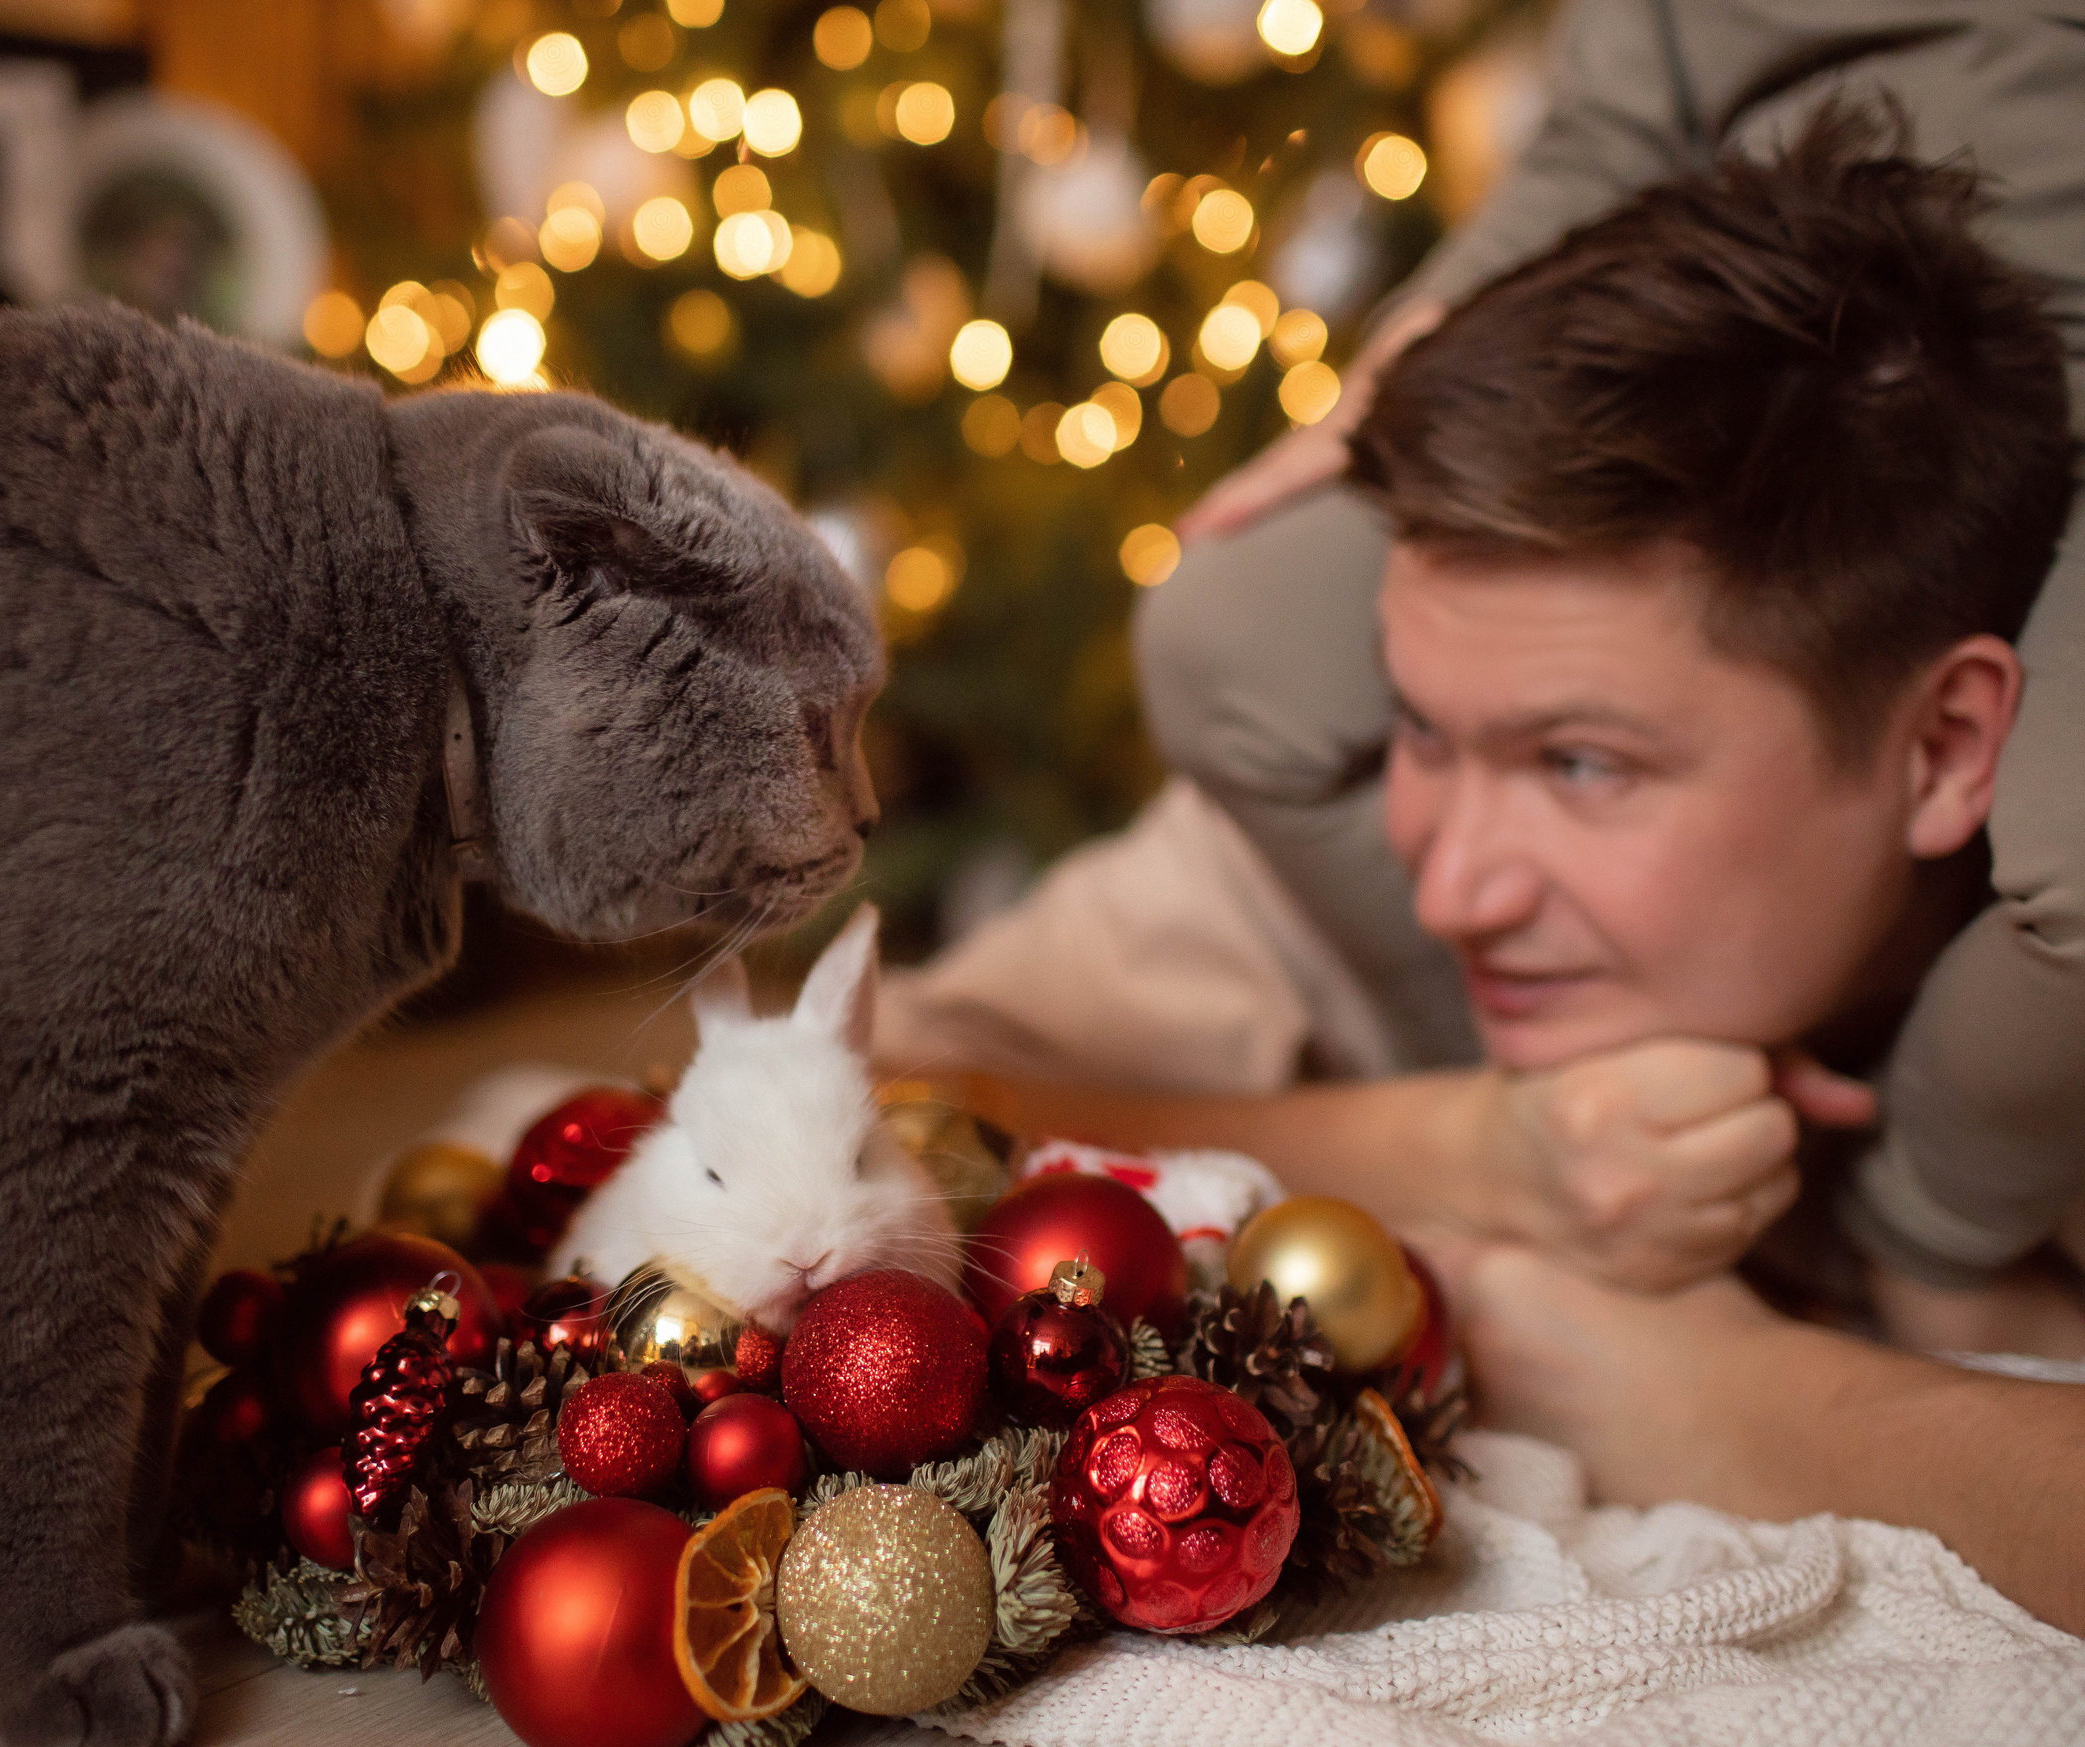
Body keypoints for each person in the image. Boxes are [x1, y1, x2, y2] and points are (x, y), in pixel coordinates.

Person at [881, 101, 2085, 1636]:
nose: (1450, 891)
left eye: (1583, 766)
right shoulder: (1336, 871)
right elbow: (883, 1092)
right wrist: (1470, 1148)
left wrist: (1738, 1401)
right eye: (1422, 733)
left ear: (1944, 747)